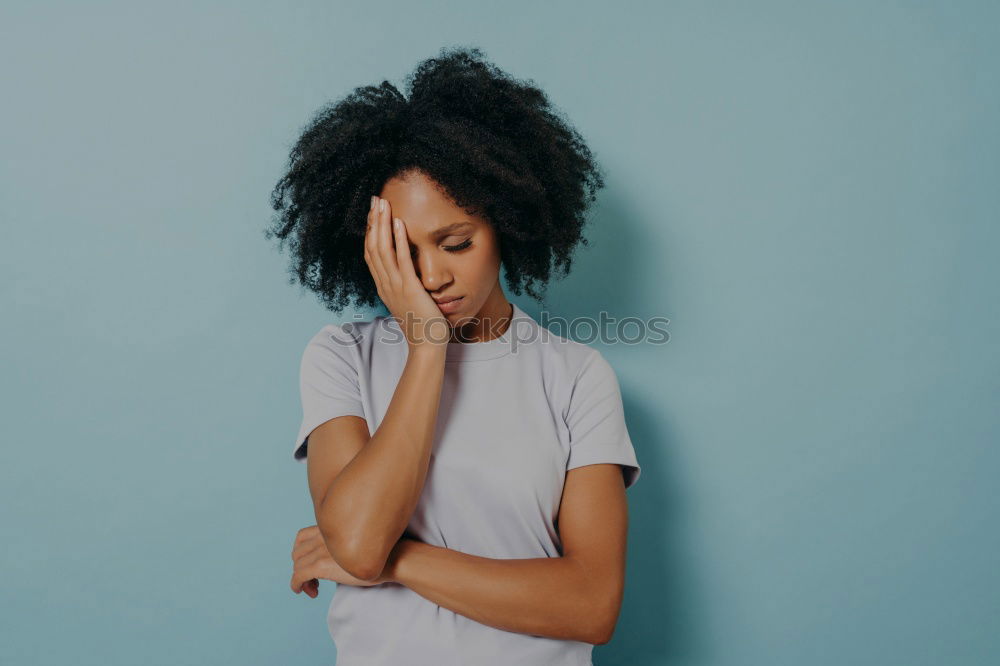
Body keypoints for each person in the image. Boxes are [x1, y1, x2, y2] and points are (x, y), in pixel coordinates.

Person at [268, 45, 641, 665]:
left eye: (457, 242)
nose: (433, 275)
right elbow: (358, 546)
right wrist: (427, 346)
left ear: (507, 223)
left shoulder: (575, 377)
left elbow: (591, 606)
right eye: (405, 252)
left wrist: (401, 562)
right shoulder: (340, 358)